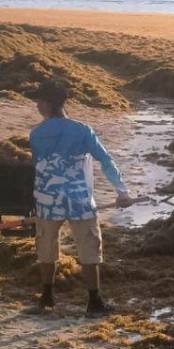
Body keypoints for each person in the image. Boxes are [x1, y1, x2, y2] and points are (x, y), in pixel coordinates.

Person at [28, 79, 133, 316]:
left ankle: (47, 298)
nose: (37, 105)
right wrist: (122, 191)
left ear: (49, 104)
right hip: (80, 200)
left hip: (47, 200)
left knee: (46, 247)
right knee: (89, 248)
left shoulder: (36, 134)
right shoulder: (83, 130)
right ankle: (94, 302)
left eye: (39, 101)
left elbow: (39, 167)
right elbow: (105, 161)